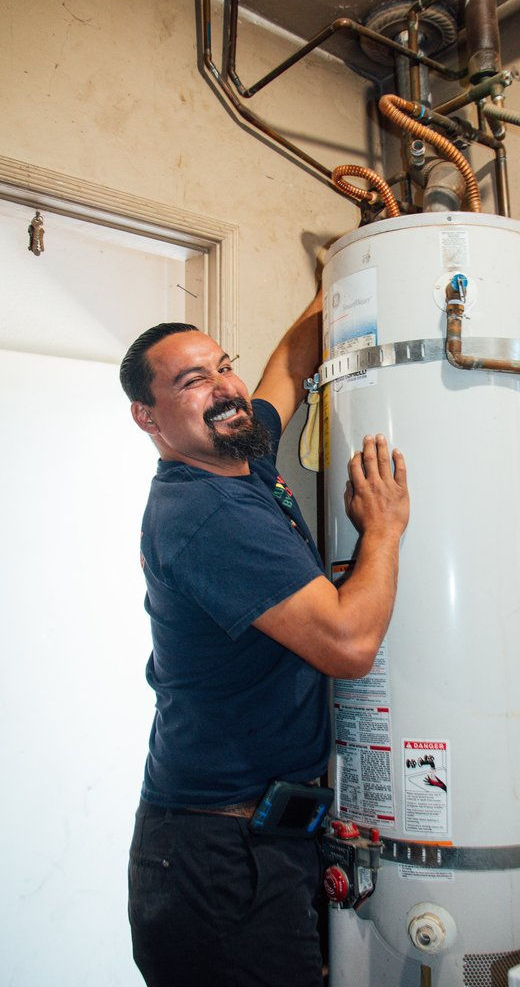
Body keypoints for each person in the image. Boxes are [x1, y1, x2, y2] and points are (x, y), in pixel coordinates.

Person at [120, 290, 409, 987]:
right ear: (147, 416)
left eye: (223, 366)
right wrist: (386, 528)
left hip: (262, 838)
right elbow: (347, 644)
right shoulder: (204, 513)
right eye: (192, 381)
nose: (224, 389)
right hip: (217, 855)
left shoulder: (241, 454)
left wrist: (340, 281)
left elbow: (287, 361)